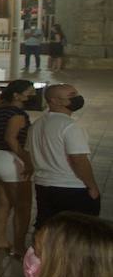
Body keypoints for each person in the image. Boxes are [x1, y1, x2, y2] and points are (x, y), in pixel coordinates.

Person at [29, 83, 100, 225]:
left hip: (43, 185)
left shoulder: (37, 124)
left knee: (47, 228)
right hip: (72, 187)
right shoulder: (70, 126)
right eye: (71, 96)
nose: (77, 98)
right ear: (54, 101)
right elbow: (78, 159)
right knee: (78, 233)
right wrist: (92, 186)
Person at [0, 79, 36, 253]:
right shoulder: (17, 114)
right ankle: (19, 247)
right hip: (10, 160)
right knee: (23, 206)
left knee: (3, 202)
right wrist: (27, 161)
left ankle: (0, 239)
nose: (32, 95)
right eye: (28, 92)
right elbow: (11, 138)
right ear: (17, 95)